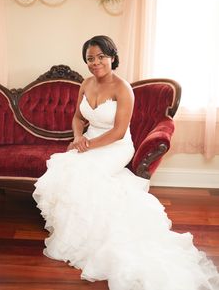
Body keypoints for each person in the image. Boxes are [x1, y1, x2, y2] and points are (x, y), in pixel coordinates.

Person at [33, 35, 219, 290]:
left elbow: (119, 131)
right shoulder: (85, 84)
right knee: (65, 170)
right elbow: (77, 118)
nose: (95, 63)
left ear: (112, 57)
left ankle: (103, 238)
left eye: (101, 57)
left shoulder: (123, 89)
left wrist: (86, 147)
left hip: (115, 147)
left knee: (83, 173)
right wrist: (78, 137)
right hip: (88, 141)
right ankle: (79, 234)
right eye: (90, 58)